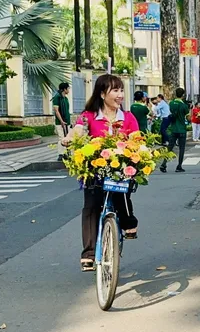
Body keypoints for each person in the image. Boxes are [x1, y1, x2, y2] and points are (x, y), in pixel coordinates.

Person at [60, 74, 140, 272]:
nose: (120, 95)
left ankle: (128, 223)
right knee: (91, 206)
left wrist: (139, 150)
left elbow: (137, 139)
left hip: (119, 168)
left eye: (121, 90)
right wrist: (69, 139)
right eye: (115, 90)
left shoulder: (128, 117)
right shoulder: (88, 116)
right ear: (103, 94)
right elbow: (78, 131)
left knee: (122, 195)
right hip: (95, 169)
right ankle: (88, 254)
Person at [162, 88, 190, 173]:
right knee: (181, 148)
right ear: (183, 95)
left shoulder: (171, 103)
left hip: (173, 128)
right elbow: (188, 118)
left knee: (170, 147)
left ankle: (164, 164)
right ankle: (179, 166)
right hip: (182, 129)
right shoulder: (184, 105)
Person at [52, 83, 71, 159]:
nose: (69, 90)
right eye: (68, 88)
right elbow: (56, 111)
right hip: (60, 122)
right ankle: (61, 154)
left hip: (67, 121)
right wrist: (61, 121)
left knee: (67, 138)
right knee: (61, 137)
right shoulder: (57, 98)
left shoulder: (65, 98)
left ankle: (66, 153)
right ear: (64, 89)